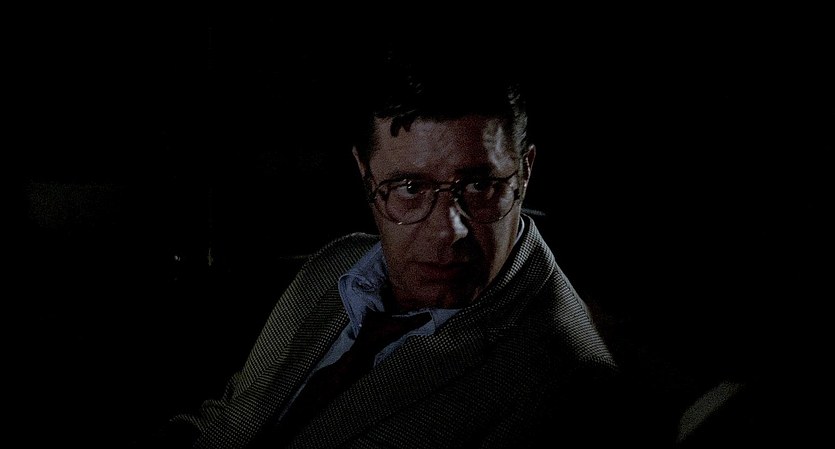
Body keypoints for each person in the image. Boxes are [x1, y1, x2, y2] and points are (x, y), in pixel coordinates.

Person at [133, 39, 662, 448]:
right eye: (410, 187)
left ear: (524, 172)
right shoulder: (337, 264)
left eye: (479, 185)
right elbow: (231, 420)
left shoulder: (570, 388)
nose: (449, 230)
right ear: (365, 175)